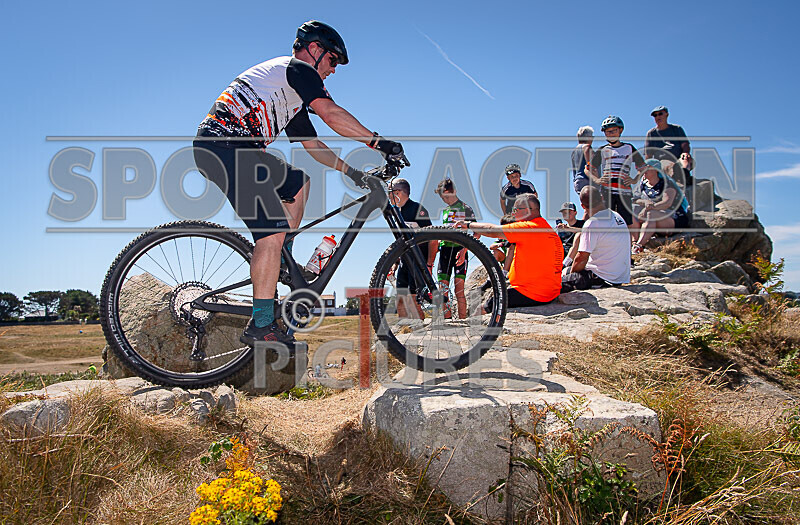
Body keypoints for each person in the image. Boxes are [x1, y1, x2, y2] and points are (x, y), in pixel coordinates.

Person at [193, 21, 405, 347]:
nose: (333, 71)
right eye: (333, 61)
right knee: (271, 231)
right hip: (225, 148)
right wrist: (378, 142)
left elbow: (314, 146)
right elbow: (331, 114)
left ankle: (281, 262)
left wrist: (352, 173)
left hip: (234, 151)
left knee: (297, 183)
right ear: (316, 50)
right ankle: (262, 324)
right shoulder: (296, 70)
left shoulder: (289, 95)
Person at [453, 194, 563, 312]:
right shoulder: (548, 230)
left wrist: (468, 224)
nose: (513, 213)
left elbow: (491, 230)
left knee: (485, 307)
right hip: (550, 292)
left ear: (527, 210)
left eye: (516, 209)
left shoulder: (529, 228)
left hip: (533, 294)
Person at [562, 186, 631, 292]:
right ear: (602, 197)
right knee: (566, 271)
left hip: (602, 278)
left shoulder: (593, 223)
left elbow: (581, 258)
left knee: (558, 280)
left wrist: (573, 277)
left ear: (582, 206)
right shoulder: (616, 216)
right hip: (619, 277)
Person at [386, 178, 436, 318]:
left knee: (414, 301)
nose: (388, 197)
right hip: (405, 261)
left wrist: (429, 263)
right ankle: (404, 332)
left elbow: (433, 238)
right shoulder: (397, 212)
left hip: (418, 261)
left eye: (390, 193)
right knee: (401, 300)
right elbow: (401, 241)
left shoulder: (417, 209)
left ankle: (420, 330)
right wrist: (395, 264)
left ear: (399, 192)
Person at [434, 179, 476, 319]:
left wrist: (464, 250)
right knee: (442, 290)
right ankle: (447, 321)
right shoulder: (445, 211)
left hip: (459, 250)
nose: (444, 200)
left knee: (459, 290)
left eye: (446, 196)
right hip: (445, 251)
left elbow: (477, 232)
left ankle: (463, 320)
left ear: (453, 192)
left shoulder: (466, 208)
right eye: (442, 198)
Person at [631, 159, 691, 254]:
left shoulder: (667, 183)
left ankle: (639, 246)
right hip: (652, 219)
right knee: (630, 212)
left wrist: (647, 209)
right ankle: (634, 242)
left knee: (651, 214)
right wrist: (645, 201)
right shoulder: (643, 184)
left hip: (672, 218)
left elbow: (666, 203)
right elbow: (634, 199)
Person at [645, 106, 693, 186]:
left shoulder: (677, 129)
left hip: (678, 158)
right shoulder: (651, 133)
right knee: (669, 165)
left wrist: (685, 153)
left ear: (667, 115)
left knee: (685, 158)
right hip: (663, 160)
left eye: (660, 114)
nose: (658, 117)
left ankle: (685, 174)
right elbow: (648, 155)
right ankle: (680, 176)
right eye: (655, 115)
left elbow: (685, 144)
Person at [571, 126, 594, 195]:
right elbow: (591, 166)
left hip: (578, 181)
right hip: (587, 180)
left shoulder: (574, 152)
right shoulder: (587, 147)